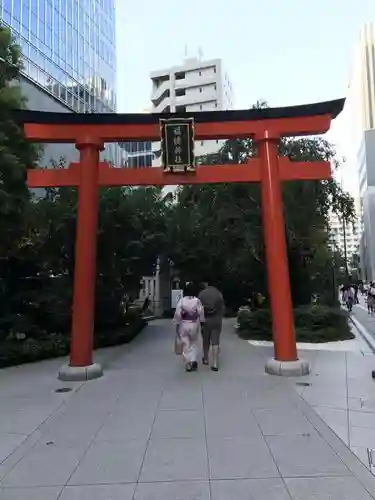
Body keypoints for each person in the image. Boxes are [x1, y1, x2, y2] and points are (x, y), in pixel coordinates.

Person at [173, 282, 205, 372]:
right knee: (194, 343)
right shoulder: (197, 300)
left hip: (184, 324)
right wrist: (202, 322)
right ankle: (193, 359)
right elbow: (201, 312)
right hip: (194, 324)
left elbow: (178, 314)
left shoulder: (182, 300)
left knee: (185, 344)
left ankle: (188, 363)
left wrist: (177, 324)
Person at [198, 281, 225, 371]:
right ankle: (215, 363)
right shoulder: (219, 294)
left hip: (205, 321)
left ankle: (205, 358)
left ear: (206, 284)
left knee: (205, 340)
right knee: (215, 341)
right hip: (217, 321)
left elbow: (198, 309)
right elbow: (223, 309)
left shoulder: (201, 294)